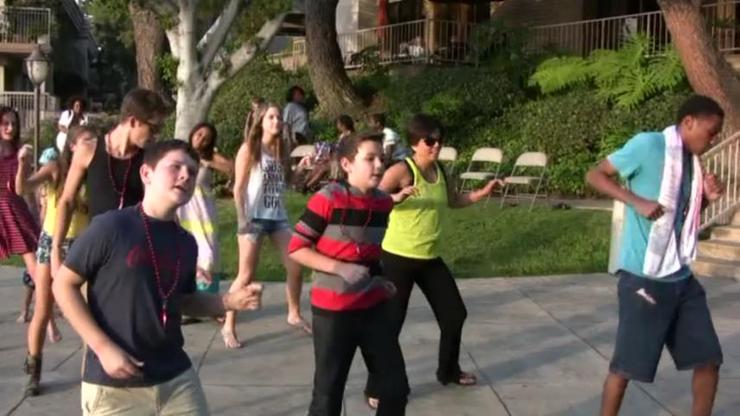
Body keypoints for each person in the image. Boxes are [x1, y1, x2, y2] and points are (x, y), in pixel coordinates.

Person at [52, 140, 264, 416]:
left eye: (191, 170)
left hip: (175, 378)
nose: (186, 175)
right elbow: (63, 284)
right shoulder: (111, 227)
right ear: (146, 174)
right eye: (175, 167)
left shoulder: (186, 242)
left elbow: (184, 301)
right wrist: (102, 347)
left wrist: (229, 301)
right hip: (116, 384)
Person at [586, 95, 725, 416]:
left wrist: (707, 200)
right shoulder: (648, 145)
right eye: (711, 131)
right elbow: (595, 175)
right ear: (688, 122)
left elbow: (678, 218)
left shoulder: (691, 162)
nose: (713, 138)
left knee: (708, 360)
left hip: (682, 278)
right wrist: (635, 200)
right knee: (626, 369)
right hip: (643, 279)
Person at [364, 114, 502, 409]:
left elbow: (453, 201)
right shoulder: (402, 170)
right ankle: (376, 386)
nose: (436, 145)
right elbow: (370, 198)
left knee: (455, 314)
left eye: (440, 139)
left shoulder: (440, 170)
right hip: (398, 258)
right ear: (415, 143)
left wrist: (481, 193)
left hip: (429, 259)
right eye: (430, 140)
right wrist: (396, 197)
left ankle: (448, 370)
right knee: (390, 325)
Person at [289, 131, 410, 416]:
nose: (379, 165)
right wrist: (339, 268)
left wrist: (381, 278)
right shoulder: (326, 199)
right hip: (334, 311)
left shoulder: (382, 203)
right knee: (328, 395)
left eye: (382, 158)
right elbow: (297, 248)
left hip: (373, 308)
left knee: (395, 388)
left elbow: (368, 251)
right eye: (370, 159)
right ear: (346, 164)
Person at [51, 88, 169, 275]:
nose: (156, 136)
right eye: (153, 129)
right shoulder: (89, 150)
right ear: (133, 121)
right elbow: (67, 200)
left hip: (135, 253)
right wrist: (56, 249)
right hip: (98, 249)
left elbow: (161, 207)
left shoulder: (149, 158)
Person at [16, 125, 95, 396]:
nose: (93, 146)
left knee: (90, 312)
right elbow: (22, 187)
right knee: (42, 308)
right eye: (87, 141)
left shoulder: (94, 174)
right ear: (73, 146)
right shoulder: (55, 169)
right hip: (52, 243)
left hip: (82, 244)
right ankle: (34, 369)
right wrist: (23, 165)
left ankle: (92, 374)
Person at [223, 102, 309, 349]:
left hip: (277, 217)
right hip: (254, 218)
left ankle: (293, 313)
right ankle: (228, 325)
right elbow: (238, 188)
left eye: (279, 117)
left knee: (295, 264)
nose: (277, 121)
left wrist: (301, 168)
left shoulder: (283, 149)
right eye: (271, 117)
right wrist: (242, 221)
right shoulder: (250, 149)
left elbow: (290, 182)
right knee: (246, 275)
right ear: (260, 121)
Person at [176, 122, 234, 321]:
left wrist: (208, 163)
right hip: (184, 209)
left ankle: (211, 303)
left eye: (206, 138)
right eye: (199, 134)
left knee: (208, 254)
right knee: (186, 254)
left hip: (203, 210)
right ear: (193, 132)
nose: (201, 139)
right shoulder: (181, 152)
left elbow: (232, 168)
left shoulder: (210, 155)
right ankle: (191, 305)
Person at [0, 107, 41, 327]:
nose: (10, 128)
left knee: (33, 264)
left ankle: (46, 315)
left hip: (12, 206)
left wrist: (23, 163)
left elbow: (19, 189)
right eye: (5, 123)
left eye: (13, 124)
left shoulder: (20, 152)